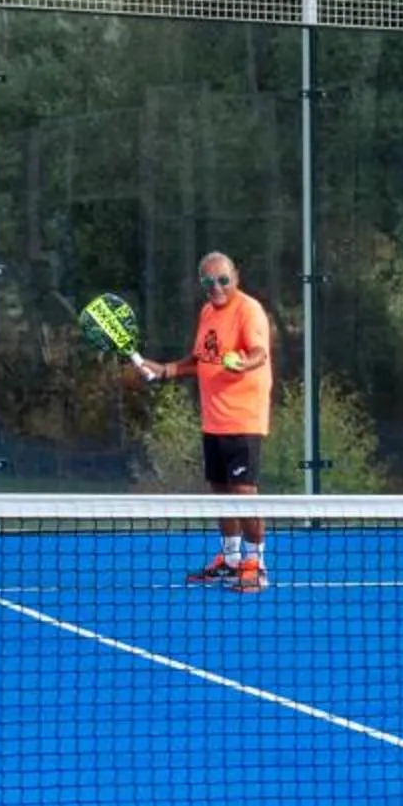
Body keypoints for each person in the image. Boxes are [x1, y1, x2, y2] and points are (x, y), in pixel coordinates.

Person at [134, 253, 273, 590]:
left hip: (243, 419)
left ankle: (256, 564)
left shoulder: (248, 310)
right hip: (214, 420)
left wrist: (243, 363)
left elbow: (259, 353)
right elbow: (201, 359)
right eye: (209, 282)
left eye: (223, 280)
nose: (217, 287)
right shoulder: (208, 312)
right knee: (221, 492)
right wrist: (166, 370)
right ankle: (230, 559)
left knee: (243, 493)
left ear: (235, 276)